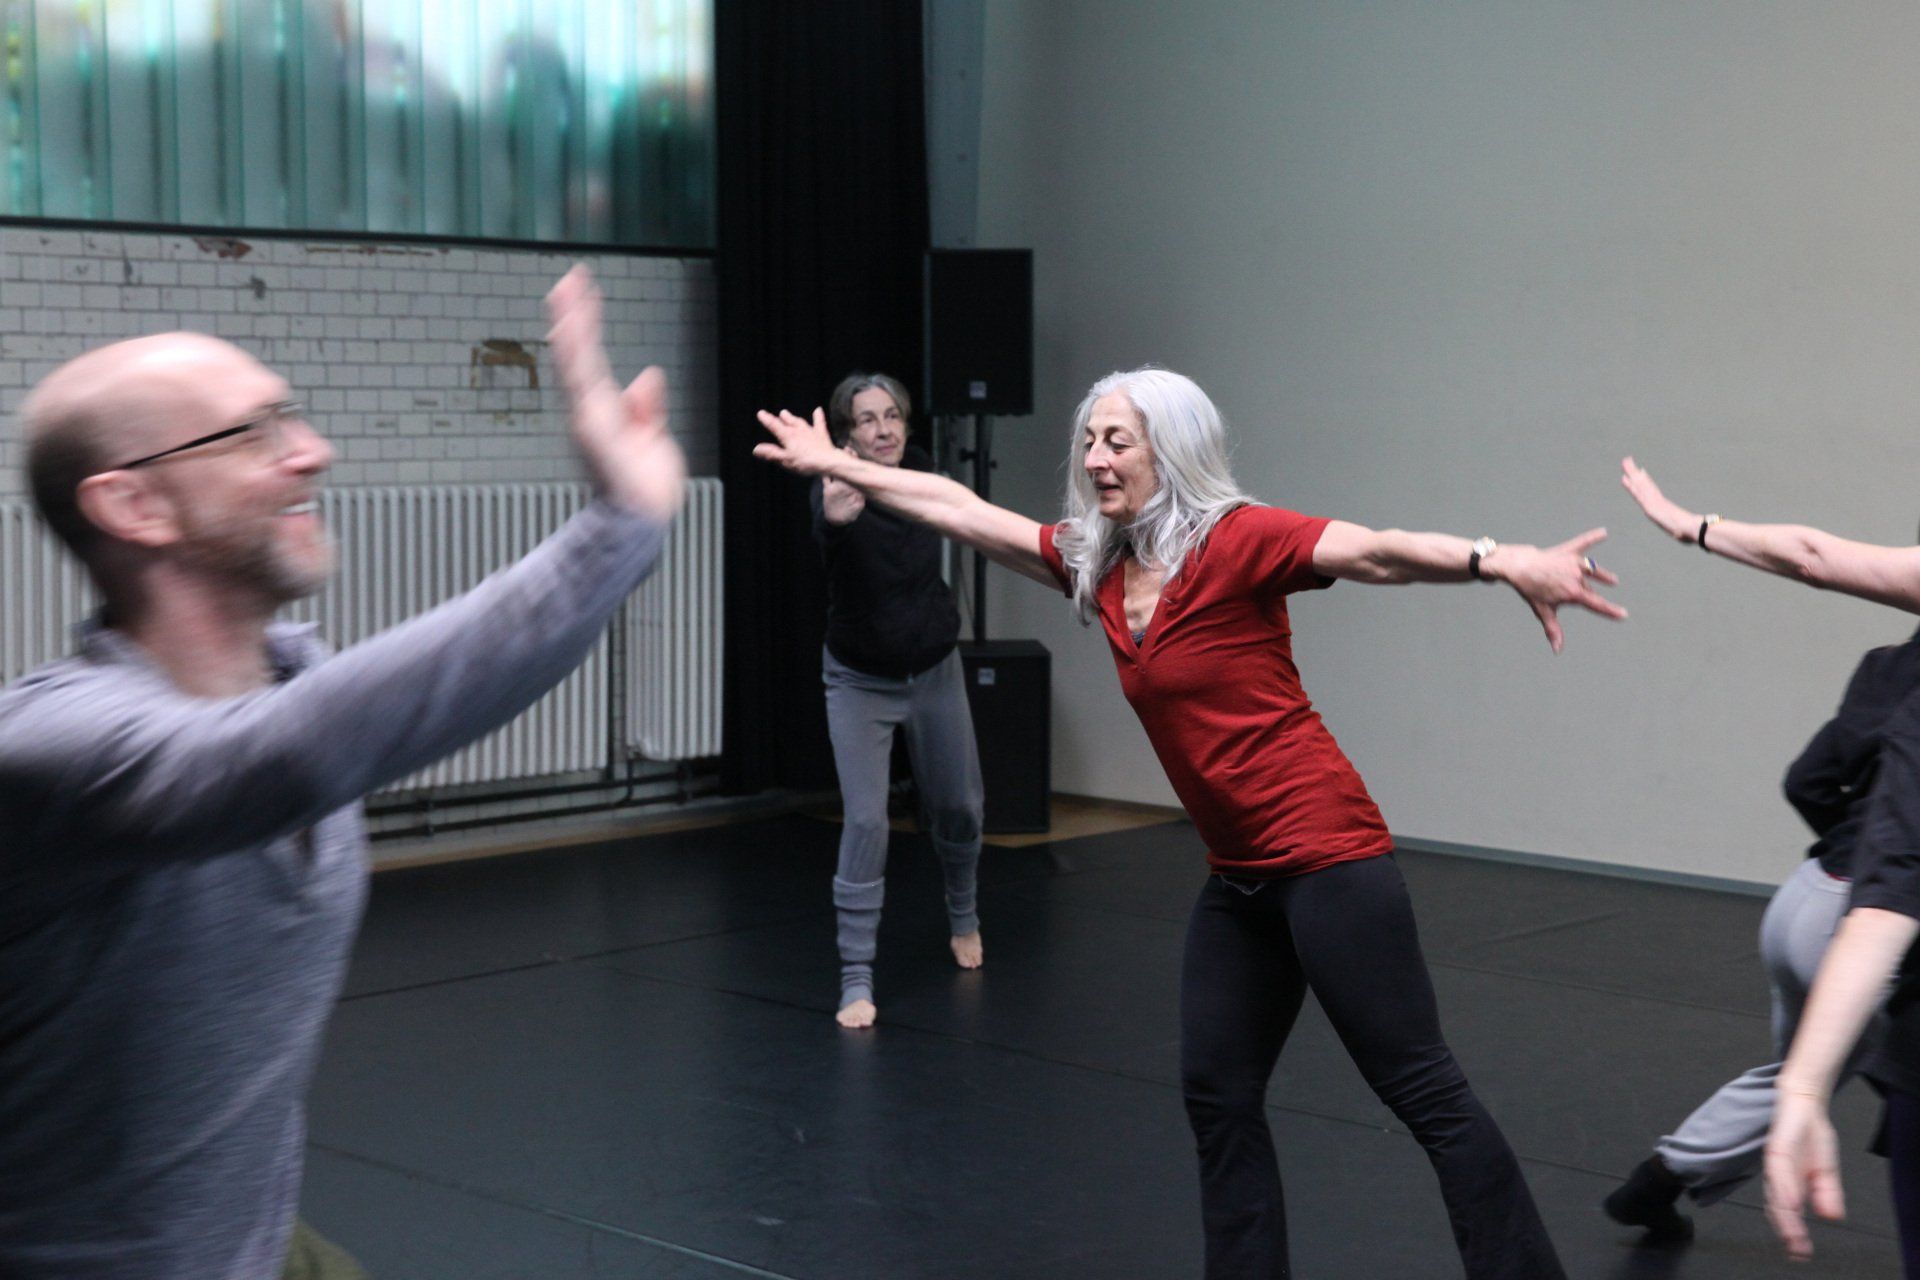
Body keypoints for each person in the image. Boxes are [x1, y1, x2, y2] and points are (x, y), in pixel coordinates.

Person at [757, 367, 1626, 1279]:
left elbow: (1376, 551)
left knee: (1421, 1090)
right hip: (1239, 878)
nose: (1095, 459)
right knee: (1217, 1094)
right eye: (1089, 441)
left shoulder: (1238, 539)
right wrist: (842, 465)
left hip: (1329, 860)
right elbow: (959, 509)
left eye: (1117, 441)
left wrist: (1501, 558)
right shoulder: (1100, 563)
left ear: (1168, 451)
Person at [0, 265, 684, 1280]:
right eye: (252, 433)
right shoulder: (51, 746)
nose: (312, 451)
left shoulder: (297, 678)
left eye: (291, 417)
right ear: (133, 502)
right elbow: (281, 756)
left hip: (256, 1246)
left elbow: (326, 724)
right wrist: (617, 526)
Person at [1613, 459, 1920, 1273]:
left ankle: (1662, 1178)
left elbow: (1813, 557)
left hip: (1806, 898)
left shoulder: (1883, 667)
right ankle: (1666, 1175)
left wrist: (1692, 525)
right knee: (1833, 1072)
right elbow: (1813, 556)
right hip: (1852, 919)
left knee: (1806, 1072)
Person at [811, 372, 983, 1030]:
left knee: (959, 806)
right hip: (860, 680)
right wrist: (834, 521)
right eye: (867, 420)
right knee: (866, 823)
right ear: (847, 435)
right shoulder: (836, 485)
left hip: (935, 669)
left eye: (892, 416)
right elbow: (826, 535)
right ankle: (856, 976)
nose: (882, 429)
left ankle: (963, 914)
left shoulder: (924, 475)